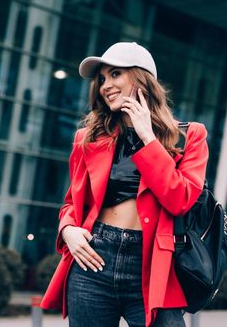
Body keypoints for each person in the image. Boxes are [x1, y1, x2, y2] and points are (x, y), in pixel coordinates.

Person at [40, 42, 209, 327]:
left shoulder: (189, 136)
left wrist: (148, 138)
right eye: (102, 79)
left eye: (116, 74)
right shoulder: (88, 138)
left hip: (154, 264)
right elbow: (72, 201)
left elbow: (180, 199)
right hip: (94, 257)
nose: (105, 85)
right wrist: (68, 230)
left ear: (141, 77)